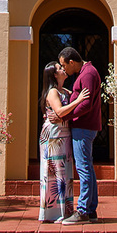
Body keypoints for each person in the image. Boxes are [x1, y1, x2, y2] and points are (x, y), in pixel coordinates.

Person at [38, 62, 91, 223]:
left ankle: (65, 211)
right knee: (54, 173)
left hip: (64, 135)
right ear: (54, 75)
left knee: (64, 173)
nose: (63, 69)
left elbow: (68, 101)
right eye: (60, 68)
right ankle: (53, 213)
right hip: (54, 137)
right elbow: (60, 111)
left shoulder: (64, 91)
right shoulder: (53, 92)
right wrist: (78, 101)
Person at [58, 46, 101, 224]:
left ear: (72, 62)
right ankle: (90, 210)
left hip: (84, 127)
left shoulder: (88, 74)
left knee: (83, 168)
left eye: (64, 65)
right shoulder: (84, 73)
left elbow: (86, 104)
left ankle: (83, 211)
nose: (64, 69)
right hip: (84, 127)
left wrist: (64, 116)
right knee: (87, 167)